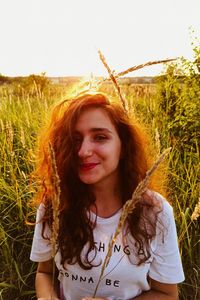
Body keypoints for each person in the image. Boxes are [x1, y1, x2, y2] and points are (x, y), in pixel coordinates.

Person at [30, 92, 184, 300]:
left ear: (123, 146)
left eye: (100, 137)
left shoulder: (155, 211)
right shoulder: (55, 205)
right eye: (75, 140)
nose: (83, 151)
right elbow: (45, 272)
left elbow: (167, 294)